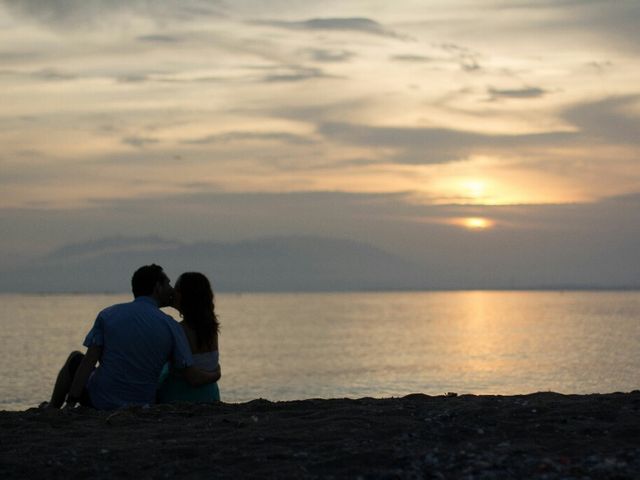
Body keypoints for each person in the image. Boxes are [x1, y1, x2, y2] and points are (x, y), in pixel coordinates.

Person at [48, 264, 220, 410]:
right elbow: (190, 373)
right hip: (142, 404)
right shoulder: (171, 326)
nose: (171, 291)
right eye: (168, 284)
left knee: (75, 358)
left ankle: (53, 408)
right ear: (157, 288)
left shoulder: (108, 315)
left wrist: (71, 402)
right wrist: (215, 374)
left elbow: (89, 361)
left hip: (101, 401)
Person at [157, 272, 221, 403]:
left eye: (176, 289)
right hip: (210, 394)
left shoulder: (178, 330)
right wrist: (216, 375)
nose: (172, 292)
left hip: (182, 395)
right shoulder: (211, 328)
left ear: (184, 295)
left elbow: (193, 378)